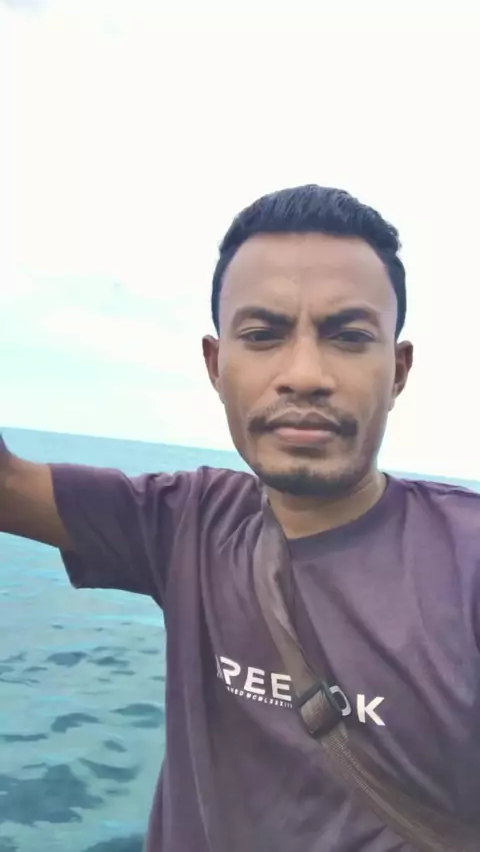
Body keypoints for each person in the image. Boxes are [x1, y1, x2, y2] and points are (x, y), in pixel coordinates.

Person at [1, 184, 479, 852]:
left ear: (397, 371)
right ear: (216, 363)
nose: (305, 374)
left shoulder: (466, 558)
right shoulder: (183, 522)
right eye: (262, 336)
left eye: (349, 337)